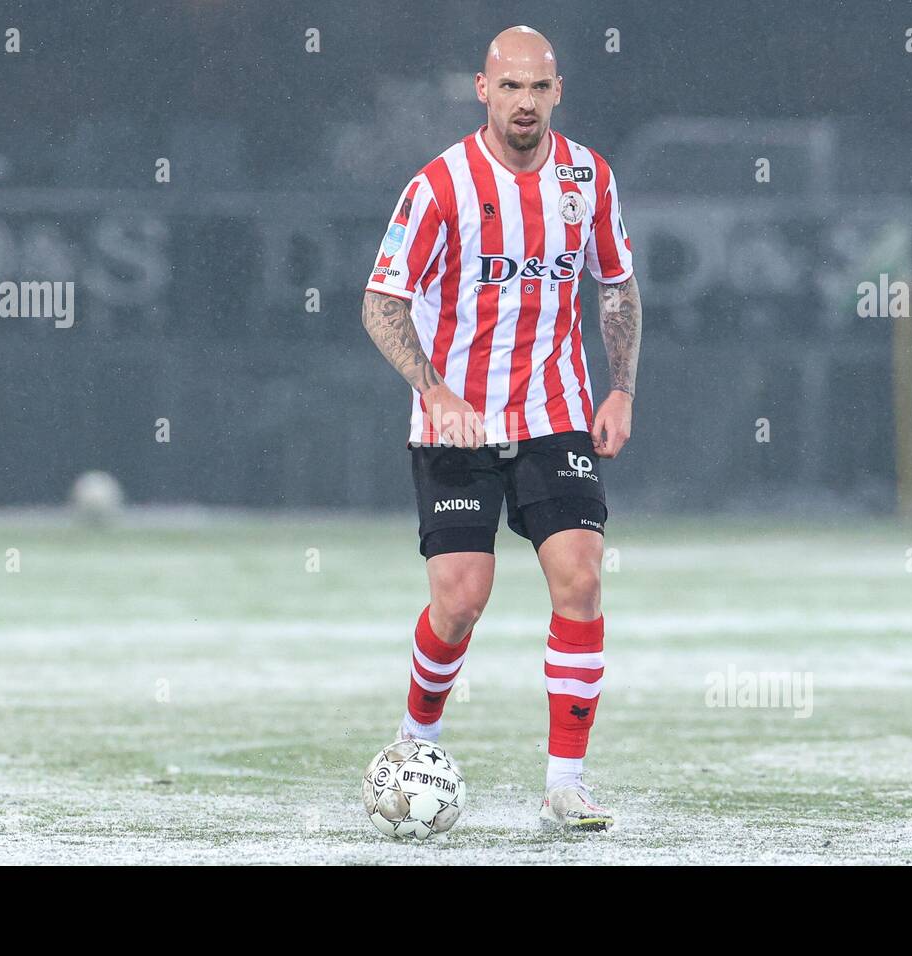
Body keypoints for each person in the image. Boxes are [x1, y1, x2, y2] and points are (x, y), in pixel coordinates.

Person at [361, 25, 643, 831]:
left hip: (554, 411)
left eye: (539, 88)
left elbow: (617, 290)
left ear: (558, 94)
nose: (526, 102)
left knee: (581, 577)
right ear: (483, 91)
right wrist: (433, 388)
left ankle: (566, 785)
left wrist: (619, 390)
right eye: (510, 87)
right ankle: (414, 742)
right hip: (457, 423)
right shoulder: (439, 186)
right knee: (460, 601)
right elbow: (380, 302)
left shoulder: (588, 178)